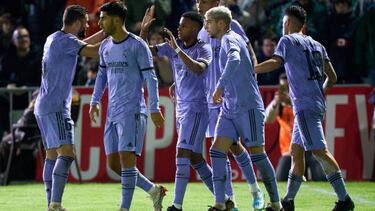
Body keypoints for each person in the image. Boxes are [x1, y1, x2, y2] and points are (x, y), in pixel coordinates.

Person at [255, 5, 355, 211]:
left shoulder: (287, 40)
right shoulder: (317, 45)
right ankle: (288, 201)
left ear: (288, 23)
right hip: (316, 104)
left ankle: (345, 200)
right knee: (296, 151)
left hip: (304, 105)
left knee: (319, 151)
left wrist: (251, 68)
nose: (282, 26)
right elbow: (333, 77)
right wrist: (319, 93)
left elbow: (275, 62)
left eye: (283, 23)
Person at [204, 6, 282, 211]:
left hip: (248, 107)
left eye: (209, 21)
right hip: (230, 108)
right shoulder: (224, 39)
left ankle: (276, 205)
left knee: (258, 155)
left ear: (220, 24)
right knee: (216, 151)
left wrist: (220, 86)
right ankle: (220, 203)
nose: (206, 25)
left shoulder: (230, 38)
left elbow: (235, 58)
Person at [89, 2, 165, 211]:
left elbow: (151, 78)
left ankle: (124, 208)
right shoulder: (105, 46)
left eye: (103, 17)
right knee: (114, 165)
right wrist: (95, 101)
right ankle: (153, 190)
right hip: (112, 112)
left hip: (132, 110)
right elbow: (102, 76)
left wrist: (154, 108)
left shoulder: (137, 45)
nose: (100, 21)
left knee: (126, 161)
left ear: (116, 19)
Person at [34, 5, 106, 211]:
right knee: (67, 154)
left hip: (44, 104)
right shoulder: (67, 41)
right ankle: (55, 204)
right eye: (84, 22)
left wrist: (105, 31)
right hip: (56, 105)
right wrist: (116, 36)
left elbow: (82, 44)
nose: (87, 25)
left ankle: (51, 203)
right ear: (76, 22)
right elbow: (92, 51)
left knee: (52, 155)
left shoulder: (54, 38)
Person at [141, 9, 213, 211]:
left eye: (184, 26)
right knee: (195, 158)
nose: (179, 29)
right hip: (181, 109)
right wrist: (145, 30)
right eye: (179, 25)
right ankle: (224, 199)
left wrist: (177, 51)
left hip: (197, 109)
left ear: (196, 29)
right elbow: (145, 50)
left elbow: (199, 68)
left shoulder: (203, 48)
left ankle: (177, 205)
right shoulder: (175, 46)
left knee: (182, 153)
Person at [265, 73, 325, 182]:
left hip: (311, 148)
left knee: (320, 179)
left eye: (287, 87)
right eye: (283, 87)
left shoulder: (304, 97)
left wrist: (292, 103)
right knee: (280, 179)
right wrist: (275, 103)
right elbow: (268, 119)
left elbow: (314, 116)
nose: (285, 90)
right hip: (289, 151)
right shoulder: (280, 103)